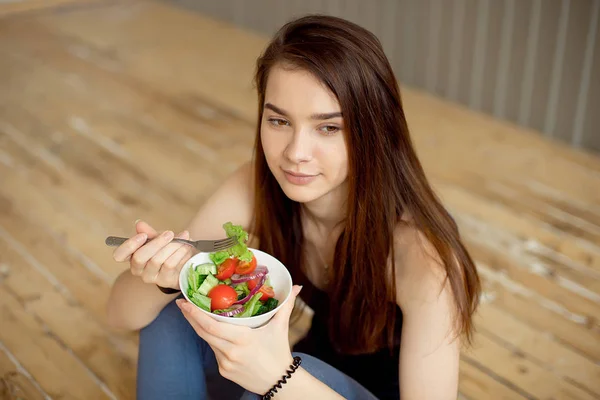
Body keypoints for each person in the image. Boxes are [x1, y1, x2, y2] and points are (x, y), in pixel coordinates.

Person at [106, 14, 481, 400]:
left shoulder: (423, 255)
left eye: (328, 127)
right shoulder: (255, 186)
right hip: (300, 365)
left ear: (373, 130)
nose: (295, 153)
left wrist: (278, 378)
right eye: (279, 121)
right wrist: (166, 275)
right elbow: (120, 316)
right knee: (174, 317)